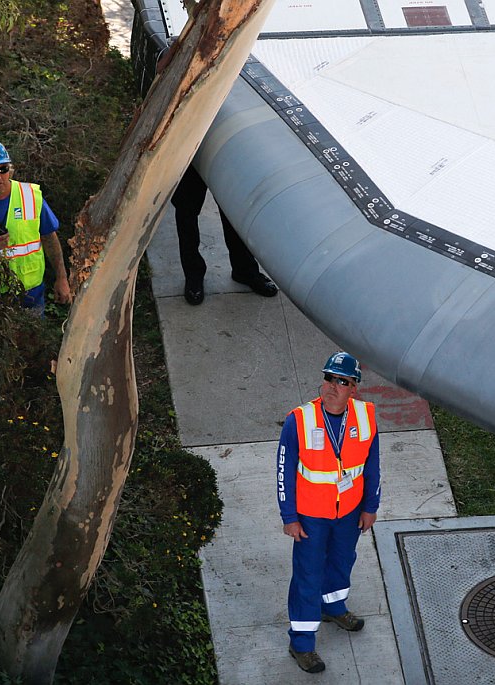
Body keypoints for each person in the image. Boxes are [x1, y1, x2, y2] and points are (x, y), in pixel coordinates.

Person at [277, 351, 381, 673]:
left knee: (341, 562)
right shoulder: (299, 420)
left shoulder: (365, 417)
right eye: (328, 378)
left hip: (349, 514)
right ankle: (302, 644)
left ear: (354, 388)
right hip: (310, 517)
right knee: (307, 575)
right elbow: (283, 471)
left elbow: (373, 465)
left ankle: (333, 606)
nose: (332, 386)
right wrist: (289, 517)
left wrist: (370, 507)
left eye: (341, 381)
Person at [0, 140, 72, 315]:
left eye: (3, 169)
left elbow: (49, 238)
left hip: (31, 295)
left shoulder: (31, 196)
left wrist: (61, 278)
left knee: (34, 342)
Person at [172, 163, 277, 305]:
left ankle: (244, 270)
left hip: (222, 148)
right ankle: (193, 275)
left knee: (232, 207)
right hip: (188, 152)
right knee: (186, 210)